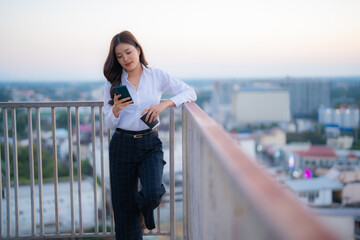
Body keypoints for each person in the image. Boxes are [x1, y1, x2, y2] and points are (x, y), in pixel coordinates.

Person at [103, 30, 197, 240]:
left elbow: (190, 92)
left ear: (138, 49)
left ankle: (144, 211)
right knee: (124, 212)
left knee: (153, 191)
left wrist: (165, 104)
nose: (125, 59)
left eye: (128, 52)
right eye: (119, 56)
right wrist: (116, 109)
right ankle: (134, 216)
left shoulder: (156, 76)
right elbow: (108, 121)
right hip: (121, 146)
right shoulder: (113, 81)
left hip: (150, 143)